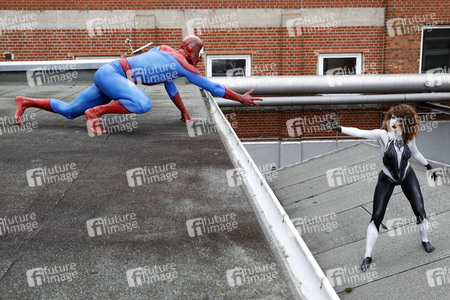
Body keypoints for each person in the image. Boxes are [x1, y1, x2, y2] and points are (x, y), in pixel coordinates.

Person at [15, 35, 262, 133]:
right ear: (192, 52)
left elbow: (170, 86)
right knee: (142, 104)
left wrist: (185, 114)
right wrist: (241, 98)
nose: (198, 60)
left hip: (109, 74)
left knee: (69, 112)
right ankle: (96, 113)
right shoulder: (182, 65)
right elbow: (214, 88)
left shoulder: (165, 50)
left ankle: (26, 101)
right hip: (114, 76)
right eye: (198, 55)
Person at [321, 104, 438, 272]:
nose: (394, 121)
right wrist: (338, 128)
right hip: (387, 178)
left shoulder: (408, 137)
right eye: (392, 118)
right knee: (376, 216)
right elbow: (360, 132)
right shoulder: (383, 135)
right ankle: (367, 256)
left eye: (399, 119)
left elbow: (416, 153)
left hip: (407, 175)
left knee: (420, 210)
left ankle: (425, 240)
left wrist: (429, 167)